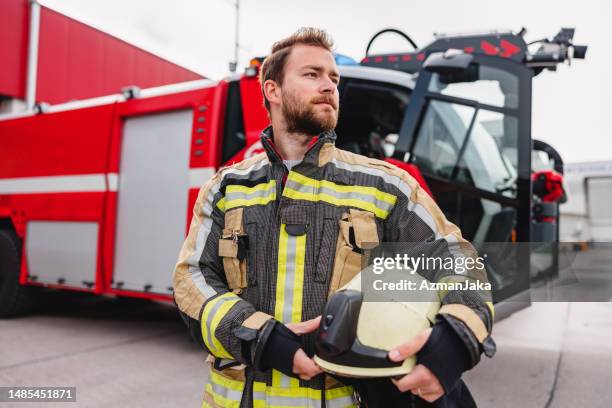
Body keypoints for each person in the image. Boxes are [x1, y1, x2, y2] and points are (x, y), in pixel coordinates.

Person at [172, 27, 495, 408]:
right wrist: (260, 336)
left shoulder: (385, 186)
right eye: (312, 74)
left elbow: (457, 261)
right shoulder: (227, 187)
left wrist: (454, 340)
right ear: (272, 90)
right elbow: (191, 280)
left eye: (334, 79)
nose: (328, 85)